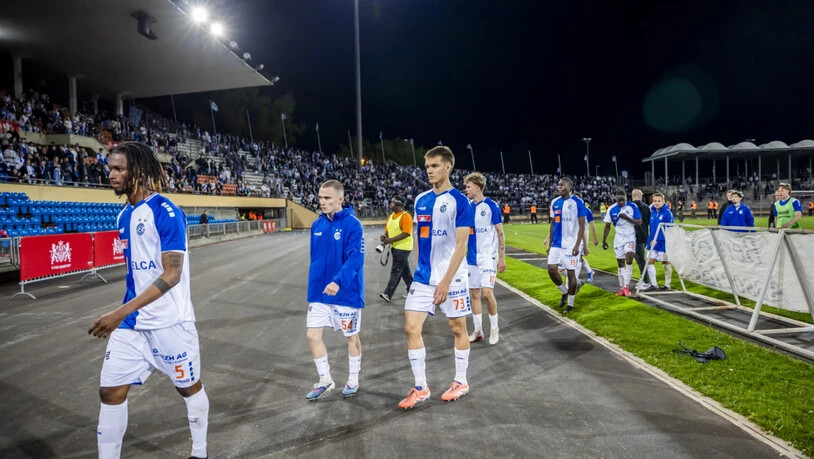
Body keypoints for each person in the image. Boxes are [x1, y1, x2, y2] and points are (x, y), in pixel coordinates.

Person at [88, 142, 209, 459]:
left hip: (171, 322)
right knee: (110, 392)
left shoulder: (166, 212)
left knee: (188, 387)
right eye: (110, 168)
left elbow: (172, 274)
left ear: (138, 171)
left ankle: (200, 452)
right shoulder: (123, 215)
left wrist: (118, 312)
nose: (111, 174)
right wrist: (125, 315)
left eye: (118, 169)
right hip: (132, 325)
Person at [399, 146, 474, 409]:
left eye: (434, 166)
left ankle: (461, 381)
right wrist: (419, 266)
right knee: (411, 327)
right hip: (423, 277)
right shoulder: (421, 200)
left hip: (451, 278)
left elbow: (461, 245)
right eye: (427, 166)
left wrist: (444, 282)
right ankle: (421, 387)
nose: (429, 170)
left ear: (448, 167)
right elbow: (421, 236)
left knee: (457, 328)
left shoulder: (460, 202)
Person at [305, 180, 365, 399]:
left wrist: (338, 281)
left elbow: (356, 258)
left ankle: (353, 379)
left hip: (345, 292)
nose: (322, 202)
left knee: (351, 337)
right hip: (320, 292)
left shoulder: (353, 224)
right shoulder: (317, 225)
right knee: (312, 335)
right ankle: (325, 380)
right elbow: (315, 257)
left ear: (340, 199)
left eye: (327, 198)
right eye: (320, 197)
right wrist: (316, 284)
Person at [463, 172, 506, 345]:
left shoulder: (491, 206)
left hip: (488, 257)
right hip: (471, 258)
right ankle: (478, 330)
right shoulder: (467, 207)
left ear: (478, 188)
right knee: (474, 293)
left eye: (468, 186)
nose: (466, 189)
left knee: (487, 293)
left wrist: (501, 258)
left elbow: (500, 232)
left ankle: (494, 328)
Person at [543, 177, 588, 313]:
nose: (559, 187)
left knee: (571, 273)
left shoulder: (577, 202)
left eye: (562, 185)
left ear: (570, 186)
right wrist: (550, 244)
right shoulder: (555, 202)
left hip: (571, 244)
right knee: (551, 269)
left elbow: (582, 225)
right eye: (558, 185)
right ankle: (564, 291)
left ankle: (571, 304)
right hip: (556, 244)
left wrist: (577, 245)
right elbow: (552, 224)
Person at [602, 191, 642, 297]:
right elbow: (607, 226)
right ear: (616, 199)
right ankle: (621, 288)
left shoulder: (632, 206)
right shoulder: (611, 209)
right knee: (620, 264)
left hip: (630, 238)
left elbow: (639, 221)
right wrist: (604, 240)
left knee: (629, 260)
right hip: (618, 239)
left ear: (626, 198)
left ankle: (626, 287)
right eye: (619, 200)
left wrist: (626, 217)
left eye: (623, 200)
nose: (621, 202)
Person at [380, 197, 414, 302]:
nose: (390, 204)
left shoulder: (406, 216)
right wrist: (384, 236)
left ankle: (388, 293)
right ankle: (413, 292)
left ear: (399, 204)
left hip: (403, 248)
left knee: (396, 270)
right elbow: (388, 230)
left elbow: (406, 233)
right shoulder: (391, 216)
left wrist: (390, 240)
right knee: (405, 271)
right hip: (395, 247)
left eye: (392, 202)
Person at [641, 192, 674, 292]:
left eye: (659, 201)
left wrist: (658, 240)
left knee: (665, 262)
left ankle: (667, 285)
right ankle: (654, 284)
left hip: (663, 243)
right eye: (655, 201)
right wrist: (651, 240)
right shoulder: (653, 212)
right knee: (649, 262)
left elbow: (668, 229)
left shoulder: (667, 213)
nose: (656, 203)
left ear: (663, 201)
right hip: (652, 243)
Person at [573, 191, 598, 283]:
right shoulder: (572, 210)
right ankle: (590, 271)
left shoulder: (586, 211)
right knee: (577, 257)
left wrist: (595, 238)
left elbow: (592, 226)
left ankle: (574, 280)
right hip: (574, 236)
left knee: (578, 257)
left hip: (583, 236)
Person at [630, 189, 652, 290]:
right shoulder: (646, 207)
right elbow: (648, 222)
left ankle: (646, 281)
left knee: (640, 259)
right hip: (643, 235)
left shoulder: (629, 207)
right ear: (641, 196)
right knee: (640, 259)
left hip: (632, 236)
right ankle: (644, 279)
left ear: (632, 196)